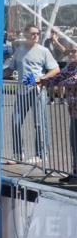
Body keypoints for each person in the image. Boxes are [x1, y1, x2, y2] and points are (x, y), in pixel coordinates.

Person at [7, 26, 60, 165]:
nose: (36, 35)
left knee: (39, 123)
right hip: (21, 91)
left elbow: (55, 69)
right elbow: (10, 69)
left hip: (37, 91)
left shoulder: (44, 51)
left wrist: (42, 78)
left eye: (38, 33)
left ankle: (41, 154)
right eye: (33, 33)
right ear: (25, 34)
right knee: (15, 122)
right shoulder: (19, 50)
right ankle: (18, 154)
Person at [44, 42, 77, 184]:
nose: (71, 54)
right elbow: (58, 78)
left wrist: (62, 83)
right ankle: (75, 174)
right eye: (70, 51)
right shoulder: (70, 66)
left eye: (74, 51)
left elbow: (73, 81)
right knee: (74, 143)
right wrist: (41, 81)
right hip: (74, 112)